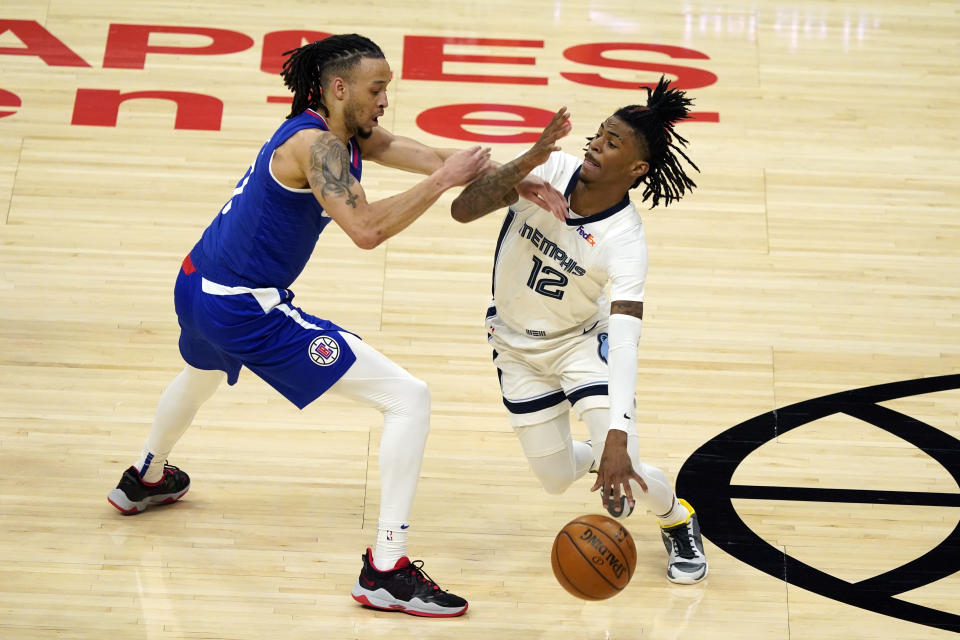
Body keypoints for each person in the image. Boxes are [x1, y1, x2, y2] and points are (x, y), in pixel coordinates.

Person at [106, 34, 493, 617]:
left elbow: (429, 157)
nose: (386, 99)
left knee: (200, 373)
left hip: (198, 277)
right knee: (409, 399)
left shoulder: (339, 130)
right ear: (339, 88)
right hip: (242, 304)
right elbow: (367, 230)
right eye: (377, 88)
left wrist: (506, 179)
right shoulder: (320, 149)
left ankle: (146, 476)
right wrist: (444, 183)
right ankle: (386, 570)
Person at [450, 77, 709, 585]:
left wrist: (617, 434)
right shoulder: (549, 167)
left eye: (612, 143)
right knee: (552, 480)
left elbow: (627, 337)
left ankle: (676, 516)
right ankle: (595, 454)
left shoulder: (625, 240)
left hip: (578, 346)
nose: (594, 144)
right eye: (597, 134)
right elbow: (462, 210)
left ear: (637, 169)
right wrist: (526, 160)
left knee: (627, 463)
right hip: (514, 346)